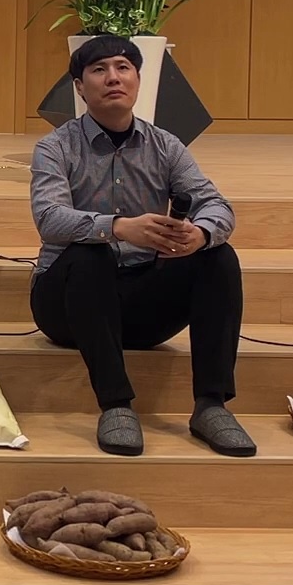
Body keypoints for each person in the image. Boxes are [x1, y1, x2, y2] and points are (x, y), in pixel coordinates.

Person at [29, 34, 255, 458]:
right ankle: (115, 404)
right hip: (67, 306)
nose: (113, 78)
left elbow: (216, 205)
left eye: (123, 67)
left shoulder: (166, 146)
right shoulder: (55, 147)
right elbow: (49, 218)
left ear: (137, 79)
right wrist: (118, 227)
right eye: (99, 70)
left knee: (218, 257)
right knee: (90, 252)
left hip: (142, 306)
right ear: (79, 87)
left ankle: (211, 405)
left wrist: (200, 234)